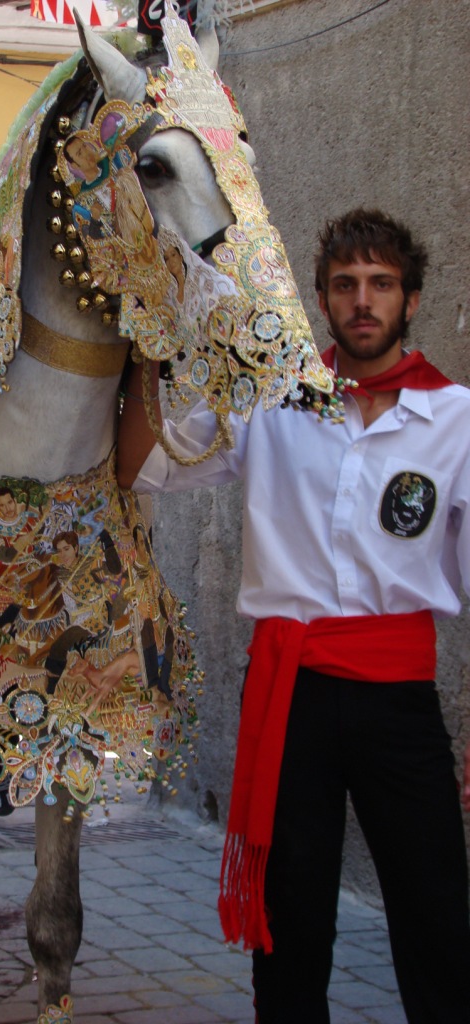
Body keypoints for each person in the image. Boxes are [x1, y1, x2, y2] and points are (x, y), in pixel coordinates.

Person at [116, 208, 470, 1024]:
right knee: (291, 924)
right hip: (292, 696)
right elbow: (144, 466)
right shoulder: (269, 402)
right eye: (345, 284)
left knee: (437, 918)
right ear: (320, 299)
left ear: (411, 299)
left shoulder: (455, 419)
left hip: (399, 700)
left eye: (381, 283)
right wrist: (146, 351)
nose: (362, 301)